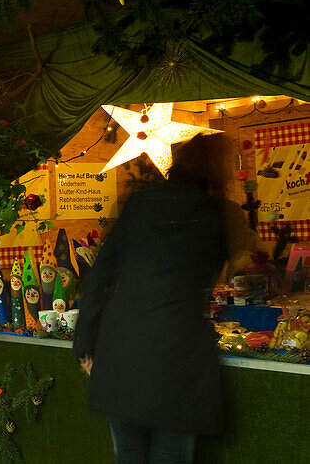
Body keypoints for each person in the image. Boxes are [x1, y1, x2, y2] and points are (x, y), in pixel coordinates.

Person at [74, 134, 229, 464]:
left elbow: (100, 274)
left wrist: (84, 345)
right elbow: (213, 274)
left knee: (128, 456)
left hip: (123, 350)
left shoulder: (140, 205)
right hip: (178, 355)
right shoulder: (212, 214)